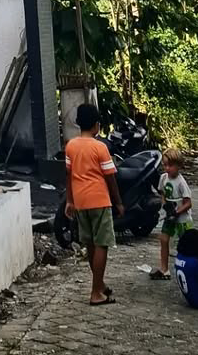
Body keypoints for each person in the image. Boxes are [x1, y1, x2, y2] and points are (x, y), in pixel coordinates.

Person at [64, 102, 124, 306]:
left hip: (80, 201)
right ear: (97, 125)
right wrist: (118, 203)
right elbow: (110, 178)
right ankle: (95, 292)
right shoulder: (100, 147)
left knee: (90, 244)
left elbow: (69, 175)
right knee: (102, 243)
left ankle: (100, 285)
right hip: (99, 199)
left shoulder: (71, 146)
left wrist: (70, 200)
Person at [150, 147, 192, 278]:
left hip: (182, 218)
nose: (167, 168)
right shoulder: (163, 178)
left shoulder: (181, 182)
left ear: (179, 165)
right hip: (169, 216)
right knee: (163, 239)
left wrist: (177, 212)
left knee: (185, 243)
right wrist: (165, 205)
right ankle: (164, 269)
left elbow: (188, 203)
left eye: (171, 165)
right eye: (165, 165)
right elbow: (162, 192)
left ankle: (189, 268)